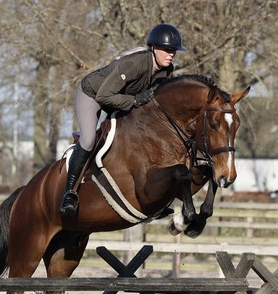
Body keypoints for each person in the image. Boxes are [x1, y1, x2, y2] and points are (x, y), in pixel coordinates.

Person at [59, 23, 186, 219]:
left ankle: (152, 202)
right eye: (167, 50)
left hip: (119, 101)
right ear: (153, 48)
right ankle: (69, 194)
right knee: (89, 140)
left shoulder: (166, 70)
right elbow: (104, 96)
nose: (171, 54)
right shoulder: (133, 64)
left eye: (174, 51)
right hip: (93, 95)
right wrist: (135, 100)